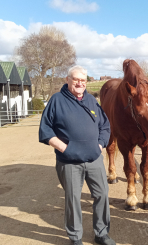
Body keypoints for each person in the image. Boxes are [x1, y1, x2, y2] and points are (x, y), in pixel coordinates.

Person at [39, 65, 116, 245]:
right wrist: (64, 148)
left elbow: (105, 126)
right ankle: (75, 238)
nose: (80, 83)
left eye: (83, 80)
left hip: (94, 159)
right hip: (69, 161)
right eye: (76, 80)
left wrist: (100, 145)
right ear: (68, 80)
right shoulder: (57, 100)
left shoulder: (90, 100)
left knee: (102, 194)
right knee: (73, 199)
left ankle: (101, 233)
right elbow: (45, 130)